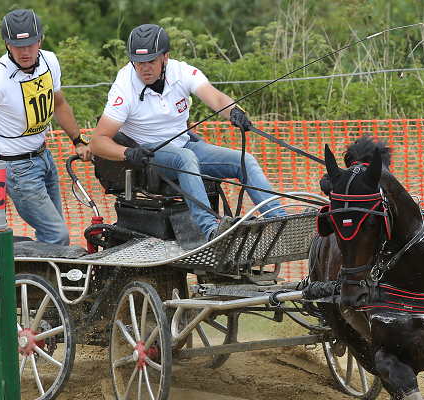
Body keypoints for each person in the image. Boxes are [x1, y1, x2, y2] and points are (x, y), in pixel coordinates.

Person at [90, 24, 287, 241]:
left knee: (244, 160)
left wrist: (234, 111)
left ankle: (279, 222)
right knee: (186, 158)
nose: (145, 68)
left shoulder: (182, 72)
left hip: (185, 146)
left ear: (165, 57)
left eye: (151, 61)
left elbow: (216, 98)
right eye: (139, 62)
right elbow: (97, 142)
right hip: (150, 157)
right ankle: (212, 231)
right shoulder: (124, 86)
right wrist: (128, 153)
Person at [0, 9, 91, 245]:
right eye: (18, 45)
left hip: (44, 157)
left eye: (30, 44)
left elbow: (59, 103)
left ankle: (36, 276)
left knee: (53, 238)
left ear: (40, 40)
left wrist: (78, 139)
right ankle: (0, 255)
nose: (25, 51)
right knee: (57, 237)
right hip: (17, 169)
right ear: (7, 43)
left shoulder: (50, 61)